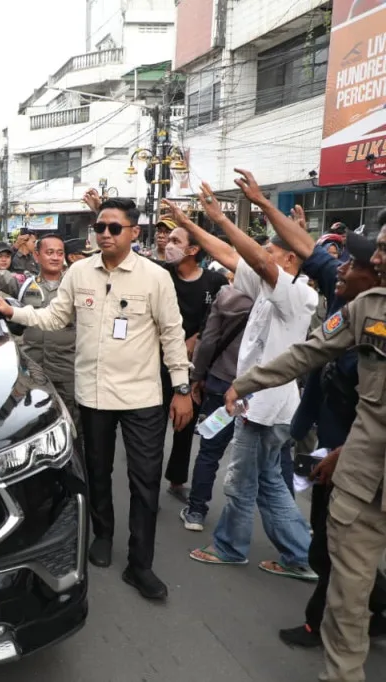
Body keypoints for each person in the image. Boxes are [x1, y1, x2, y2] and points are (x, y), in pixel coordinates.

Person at [0, 197, 192, 601]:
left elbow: (172, 333)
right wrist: (13, 311)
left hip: (142, 396)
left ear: (134, 232)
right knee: (97, 472)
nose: (105, 234)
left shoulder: (155, 277)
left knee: (145, 481)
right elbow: (54, 317)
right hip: (93, 395)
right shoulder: (79, 273)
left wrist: (181, 387)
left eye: (114, 228)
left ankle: (140, 564)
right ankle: (103, 535)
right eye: (100, 227)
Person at [223, 273, 386, 682]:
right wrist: (246, 383)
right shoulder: (368, 307)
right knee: (347, 598)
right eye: (380, 248)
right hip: (363, 481)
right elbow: (307, 353)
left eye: (384, 249)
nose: (377, 258)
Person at [163, 170, 317, 580]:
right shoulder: (270, 287)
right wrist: (193, 222)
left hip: (264, 407)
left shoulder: (296, 293)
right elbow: (231, 255)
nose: (260, 255)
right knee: (268, 483)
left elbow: (255, 259)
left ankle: (232, 547)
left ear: (289, 259)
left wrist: (224, 217)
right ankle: (300, 555)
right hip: (258, 404)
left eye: (270, 250)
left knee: (241, 483)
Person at [258, 208, 386, 647]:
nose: (341, 267)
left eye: (355, 262)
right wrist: (261, 204)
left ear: (376, 276)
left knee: (338, 549)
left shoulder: (370, 319)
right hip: (326, 447)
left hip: (357, 462)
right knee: (330, 546)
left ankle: (326, 625)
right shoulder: (348, 299)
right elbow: (306, 251)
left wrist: (342, 456)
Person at [0, 232, 81, 443]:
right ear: (36, 255)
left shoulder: (76, 286)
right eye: (49, 252)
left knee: (72, 427)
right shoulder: (24, 283)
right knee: (29, 424)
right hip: (31, 370)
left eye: (60, 253)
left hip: (67, 370)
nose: (55, 257)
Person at [159, 225, 228, 503]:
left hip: (194, 366)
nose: (168, 245)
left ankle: (177, 480)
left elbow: (220, 319)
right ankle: (146, 486)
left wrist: (196, 338)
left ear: (193, 249)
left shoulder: (215, 282)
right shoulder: (161, 275)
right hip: (159, 362)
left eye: (175, 240)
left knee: (184, 425)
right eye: (168, 239)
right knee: (152, 426)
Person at [180, 282, 254, 531]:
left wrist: (197, 376)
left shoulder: (227, 295)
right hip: (261, 388)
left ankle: (196, 511)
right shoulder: (283, 296)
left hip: (222, 384)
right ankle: (243, 524)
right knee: (257, 458)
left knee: (210, 450)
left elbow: (209, 339)